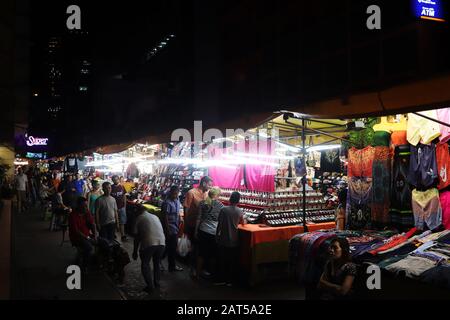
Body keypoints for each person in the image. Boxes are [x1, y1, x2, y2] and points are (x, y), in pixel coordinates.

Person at [183, 176, 213, 278]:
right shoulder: (191, 192)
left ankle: (199, 268)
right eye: (209, 184)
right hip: (192, 224)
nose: (210, 186)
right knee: (193, 248)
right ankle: (192, 268)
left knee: (201, 248)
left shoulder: (207, 194)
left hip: (202, 226)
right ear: (204, 183)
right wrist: (186, 223)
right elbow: (186, 208)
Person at [132, 204, 166, 294]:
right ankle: (157, 283)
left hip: (149, 243)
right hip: (162, 242)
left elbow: (136, 238)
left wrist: (135, 251)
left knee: (145, 264)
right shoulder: (154, 216)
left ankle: (150, 286)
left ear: (138, 211)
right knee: (157, 263)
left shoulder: (139, 218)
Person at [215, 191, 245, 286]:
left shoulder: (224, 210)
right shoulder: (239, 211)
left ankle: (221, 279)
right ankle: (230, 281)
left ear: (230, 198)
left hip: (223, 238)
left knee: (222, 260)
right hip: (234, 239)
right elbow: (243, 223)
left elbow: (219, 224)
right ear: (238, 200)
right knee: (232, 261)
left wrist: (216, 236)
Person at [194, 187, 224, 280]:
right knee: (213, 255)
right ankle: (212, 275)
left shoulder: (202, 203)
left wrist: (196, 230)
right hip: (214, 232)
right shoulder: (221, 206)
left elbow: (198, 218)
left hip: (203, 230)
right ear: (217, 195)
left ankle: (197, 275)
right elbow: (221, 221)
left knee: (201, 254)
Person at [69, 197, 96, 269]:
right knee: (89, 247)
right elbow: (76, 231)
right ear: (78, 206)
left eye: (86, 206)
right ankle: (85, 266)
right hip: (76, 238)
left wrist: (95, 235)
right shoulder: (73, 215)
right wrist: (88, 238)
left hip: (87, 235)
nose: (86, 208)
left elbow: (92, 224)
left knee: (104, 242)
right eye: (83, 206)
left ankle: (98, 263)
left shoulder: (86, 212)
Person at [161, 186, 183, 272]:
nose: (176, 195)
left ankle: (170, 265)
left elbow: (178, 212)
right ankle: (169, 265)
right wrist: (168, 230)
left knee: (170, 247)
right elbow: (165, 217)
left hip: (175, 226)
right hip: (170, 227)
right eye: (174, 193)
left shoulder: (177, 200)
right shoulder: (167, 203)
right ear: (170, 193)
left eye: (177, 193)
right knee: (170, 247)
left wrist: (179, 218)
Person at [111, 175, 128, 241]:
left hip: (121, 207)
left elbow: (124, 196)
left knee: (122, 222)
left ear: (118, 179)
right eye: (114, 180)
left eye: (116, 179)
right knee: (113, 222)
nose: (115, 181)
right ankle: (113, 235)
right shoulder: (111, 187)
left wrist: (125, 206)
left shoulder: (122, 187)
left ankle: (123, 235)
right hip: (113, 208)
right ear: (112, 180)